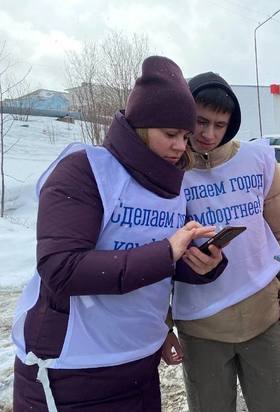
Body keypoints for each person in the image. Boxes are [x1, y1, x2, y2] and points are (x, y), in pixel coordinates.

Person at [11, 56, 227, 412]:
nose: (180, 146)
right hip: (72, 370)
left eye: (185, 136)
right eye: (170, 134)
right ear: (140, 128)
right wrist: (166, 253)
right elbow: (60, 269)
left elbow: (156, 266)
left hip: (138, 362)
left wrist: (201, 264)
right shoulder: (85, 170)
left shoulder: (172, 183)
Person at [164, 71, 280, 412]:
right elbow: (155, 256)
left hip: (261, 314)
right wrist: (163, 325)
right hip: (201, 325)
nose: (209, 134)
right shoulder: (166, 171)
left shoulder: (257, 160)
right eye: (201, 122)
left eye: (220, 125)